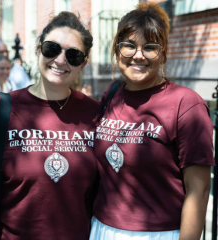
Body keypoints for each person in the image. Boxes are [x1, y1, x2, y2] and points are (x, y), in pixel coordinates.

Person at [90, 2, 215, 240]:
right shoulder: (113, 94)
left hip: (158, 233)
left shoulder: (186, 104)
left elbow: (199, 190)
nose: (138, 55)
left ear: (163, 53)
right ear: (117, 50)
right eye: (129, 46)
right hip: (102, 228)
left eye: (150, 47)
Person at [0, 11, 101, 240]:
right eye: (52, 49)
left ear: (82, 64)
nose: (61, 60)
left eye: (73, 55)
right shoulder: (0, 109)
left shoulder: (95, 114)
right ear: (38, 49)